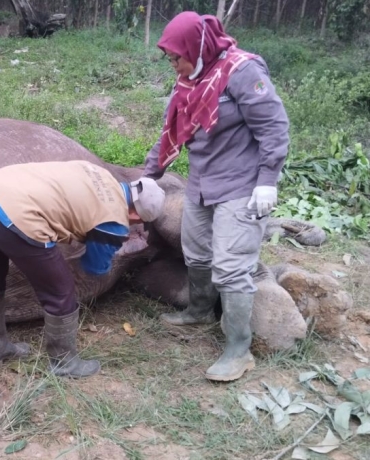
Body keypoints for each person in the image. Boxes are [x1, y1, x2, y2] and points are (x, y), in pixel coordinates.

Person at [142, 12, 290, 382]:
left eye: (178, 56)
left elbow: (273, 126)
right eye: (170, 58)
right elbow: (169, 136)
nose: (174, 64)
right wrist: (147, 177)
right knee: (196, 252)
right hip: (202, 184)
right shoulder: (187, 84)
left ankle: (239, 349)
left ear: (198, 46)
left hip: (241, 186)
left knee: (231, 264)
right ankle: (198, 311)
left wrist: (268, 180)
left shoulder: (242, 72)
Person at [0, 160, 166, 379]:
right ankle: (64, 364)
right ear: (137, 217)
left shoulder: (100, 173)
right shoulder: (115, 221)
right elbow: (94, 267)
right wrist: (108, 248)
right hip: (18, 215)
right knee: (61, 293)